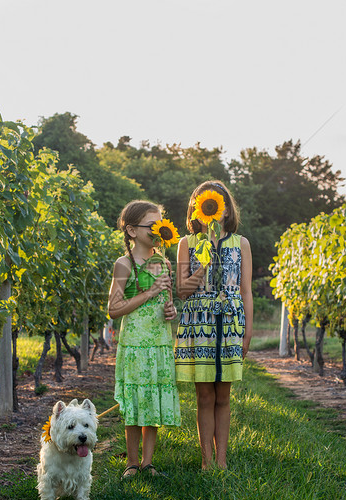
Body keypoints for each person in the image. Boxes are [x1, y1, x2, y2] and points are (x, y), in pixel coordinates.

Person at [175, 181, 253, 470]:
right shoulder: (188, 243)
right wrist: (203, 262)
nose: (213, 210)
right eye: (206, 204)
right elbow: (182, 290)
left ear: (226, 208)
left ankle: (222, 461)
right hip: (199, 323)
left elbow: (246, 291)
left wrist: (247, 331)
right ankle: (206, 461)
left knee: (224, 396)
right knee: (204, 395)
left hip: (230, 322)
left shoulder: (240, 243)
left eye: (218, 203)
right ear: (197, 209)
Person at [108, 200, 181, 478]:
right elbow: (113, 309)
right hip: (136, 344)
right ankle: (131, 463)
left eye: (161, 224)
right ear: (131, 230)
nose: (158, 229)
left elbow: (168, 304)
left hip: (160, 343)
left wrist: (170, 310)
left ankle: (148, 463)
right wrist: (149, 293)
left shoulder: (163, 262)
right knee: (136, 402)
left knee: (153, 402)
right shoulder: (124, 264)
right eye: (152, 225)